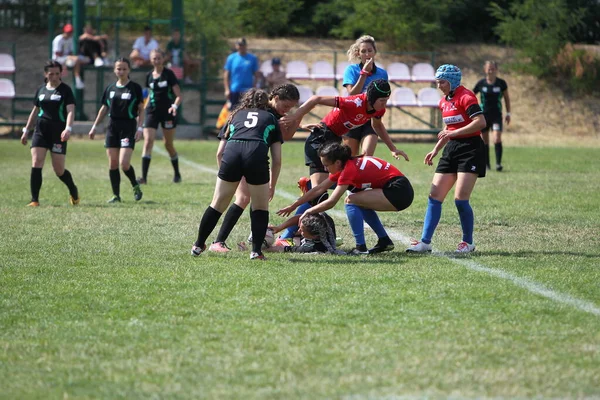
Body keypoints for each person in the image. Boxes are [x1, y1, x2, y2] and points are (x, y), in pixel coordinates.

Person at [191, 89, 283, 260]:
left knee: (217, 204)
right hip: (255, 154)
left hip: (232, 153)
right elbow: (277, 160)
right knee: (260, 206)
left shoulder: (234, 115)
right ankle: (256, 251)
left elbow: (220, 153)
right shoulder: (271, 118)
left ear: (246, 101)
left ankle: (198, 245)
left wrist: (226, 176)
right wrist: (272, 184)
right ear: (266, 103)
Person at [207, 83, 300, 252]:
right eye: (286, 106)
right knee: (244, 199)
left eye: (291, 108)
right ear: (275, 98)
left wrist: (299, 122)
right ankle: (220, 242)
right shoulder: (266, 114)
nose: (287, 110)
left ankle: (250, 243)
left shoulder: (270, 114)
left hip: (245, 161)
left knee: (249, 200)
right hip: (243, 160)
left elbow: (284, 136)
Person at [278, 142, 413, 255]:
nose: (324, 168)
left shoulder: (349, 169)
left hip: (399, 191)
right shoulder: (346, 165)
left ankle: (361, 248)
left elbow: (331, 202)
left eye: (326, 164)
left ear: (337, 162)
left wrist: (308, 211)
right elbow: (319, 189)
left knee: (351, 200)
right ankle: (384, 241)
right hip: (400, 189)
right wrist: (294, 205)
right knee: (359, 202)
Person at [406, 64, 486, 254]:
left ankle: (468, 242)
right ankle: (425, 242)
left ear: (452, 81)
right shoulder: (444, 102)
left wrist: (455, 132)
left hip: (471, 148)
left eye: (442, 82)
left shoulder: (466, 97)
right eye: (438, 82)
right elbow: (448, 131)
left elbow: (480, 122)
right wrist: (435, 150)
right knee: (434, 196)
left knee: (460, 199)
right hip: (451, 149)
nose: (439, 85)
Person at [281, 79, 407, 191]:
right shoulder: (354, 103)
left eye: (386, 100)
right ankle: (309, 188)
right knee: (319, 194)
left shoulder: (379, 109)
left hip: (335, 141)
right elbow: (316, 99)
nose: (384, 104)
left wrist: (393, 148)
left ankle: (309, 186)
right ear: (372, 98)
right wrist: (295, 117)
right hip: (320, 138)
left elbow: (378, 125)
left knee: (351, 182)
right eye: (382, 101)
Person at [20, 60, 80, 207]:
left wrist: (68, 128)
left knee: (59, 170)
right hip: (40, 131)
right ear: (45, 74)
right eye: (51, 74)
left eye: (57, 74)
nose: (54, 77)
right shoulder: (41, 90)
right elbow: (34, 112)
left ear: (61, 74)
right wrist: (26, 130)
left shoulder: (65, 90)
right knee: (36, 162)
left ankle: (73, 190)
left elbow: (71, 111)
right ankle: (34, 200)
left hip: (58, 133)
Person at [88, 58, 144, 203]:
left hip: (128, 126)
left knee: (124, 164)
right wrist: (94, 126)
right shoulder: (110, 88)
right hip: (112, 127)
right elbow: (104, 108)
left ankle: (135, 185)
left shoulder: (135, 88)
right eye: (119, 68)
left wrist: (140, 128)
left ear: (129, 70)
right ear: (114, 70)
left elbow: (141, 109)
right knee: (113, 163)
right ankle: (116, 195)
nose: (121, 71)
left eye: (124, 69)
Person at [138, 49, 183, 184]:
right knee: (148, 141)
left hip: (167, 112)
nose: (156, 61)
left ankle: (177, 174)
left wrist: (174, 106)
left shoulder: (169, 74)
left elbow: (179, 96)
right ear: (150, 60)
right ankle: (144, 178)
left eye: (158, 58)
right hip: (152, 111)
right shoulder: (148, 76)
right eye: (154, 59)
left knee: (168, 144)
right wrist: (141, 108)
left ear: (163, 59)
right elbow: (147, 94)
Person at [342, 35, 389, 156]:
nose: (367, 54)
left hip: (370, 120)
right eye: (363, 51)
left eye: (370, 50)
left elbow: (382, 97)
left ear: (375, 52)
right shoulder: (351, 70)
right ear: (358, 53)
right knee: (349, 161)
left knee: (366, 158)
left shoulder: (382, 73)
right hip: (352, 119)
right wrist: (364, 73)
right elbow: (352, 95)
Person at [473, 60, 511, 171]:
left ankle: (498, 164)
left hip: (497, 116)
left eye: (493, 68)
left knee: (497, 138)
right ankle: (486, 164)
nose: (491, 70)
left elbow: (507, 99)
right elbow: (471, 96)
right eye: (489, 68)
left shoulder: (501, 83)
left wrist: (508, 113)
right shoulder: (481, 83)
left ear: (496, 69)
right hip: (483, 116)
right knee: (484, 141)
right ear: (485, 70)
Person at [266, 213, 343, 254]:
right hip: (320, 222)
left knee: (283, 242)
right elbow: (300, 217)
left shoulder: (310, 247)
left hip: (314, 242)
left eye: (302, 231)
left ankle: (290, 239)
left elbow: (285, 249)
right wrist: (279, 228)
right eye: (300, 228)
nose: (299, 230)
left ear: (315, 237)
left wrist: (266, 248)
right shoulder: (322, 218)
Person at [223, 37, 260, 108]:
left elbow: (256, 74)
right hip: (235, 89)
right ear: (236, 46)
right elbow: (226, 74)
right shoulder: (231, 58)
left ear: (246, 46)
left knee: (247, 110)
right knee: (233, 112)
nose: (241, 47)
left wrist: (255, 87)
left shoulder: (252, 58)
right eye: (239, 45)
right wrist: (227, 89)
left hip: (248, 90)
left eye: (243, 45)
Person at [52, 24, 86, 89]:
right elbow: (58, 53)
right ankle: (77, 80)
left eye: (70, 32)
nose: (69, 33)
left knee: (80, 60)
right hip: (58, 59)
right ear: (64, 31)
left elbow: (71, 51)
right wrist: (69, 57)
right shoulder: (58, 39)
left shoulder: (71, 39)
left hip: (67, 58)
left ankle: (77, 80)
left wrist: (69, 57)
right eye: (68, 32)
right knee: (76, 59)